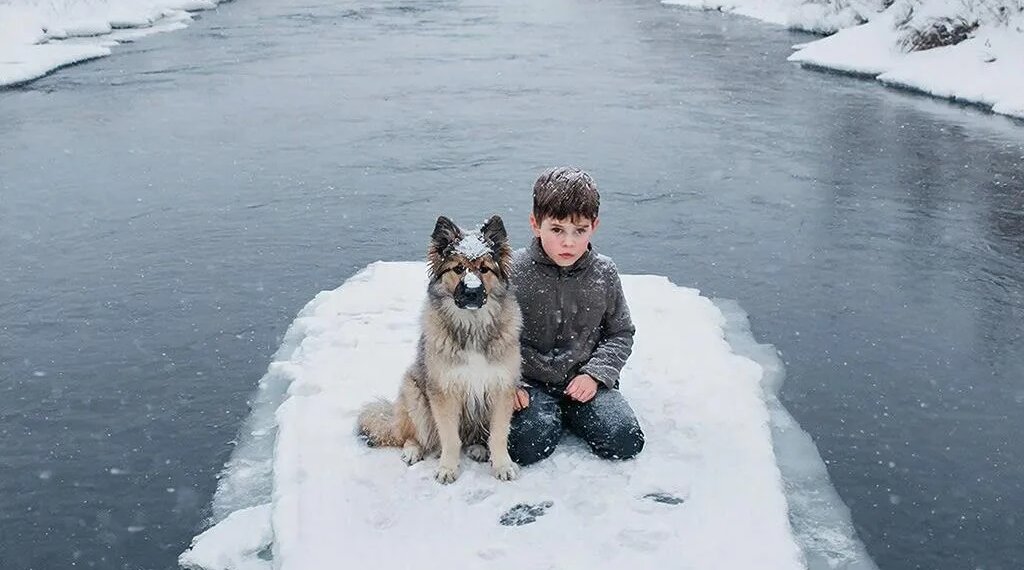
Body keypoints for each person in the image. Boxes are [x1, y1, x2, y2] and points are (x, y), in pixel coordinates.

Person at [507, 166, 645, 465]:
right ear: (535, 224)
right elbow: (491, 338)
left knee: (625, 441)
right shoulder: (513, 272)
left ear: (593, 226)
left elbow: (620, 333)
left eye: (579, 230)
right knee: (523, 448)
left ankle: (576, 411)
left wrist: (595, 375)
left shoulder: (604, 272)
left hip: (584, 380)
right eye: (557, 230)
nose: (568, 242)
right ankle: (547, 414)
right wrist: (508, 383)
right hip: (530, 383)